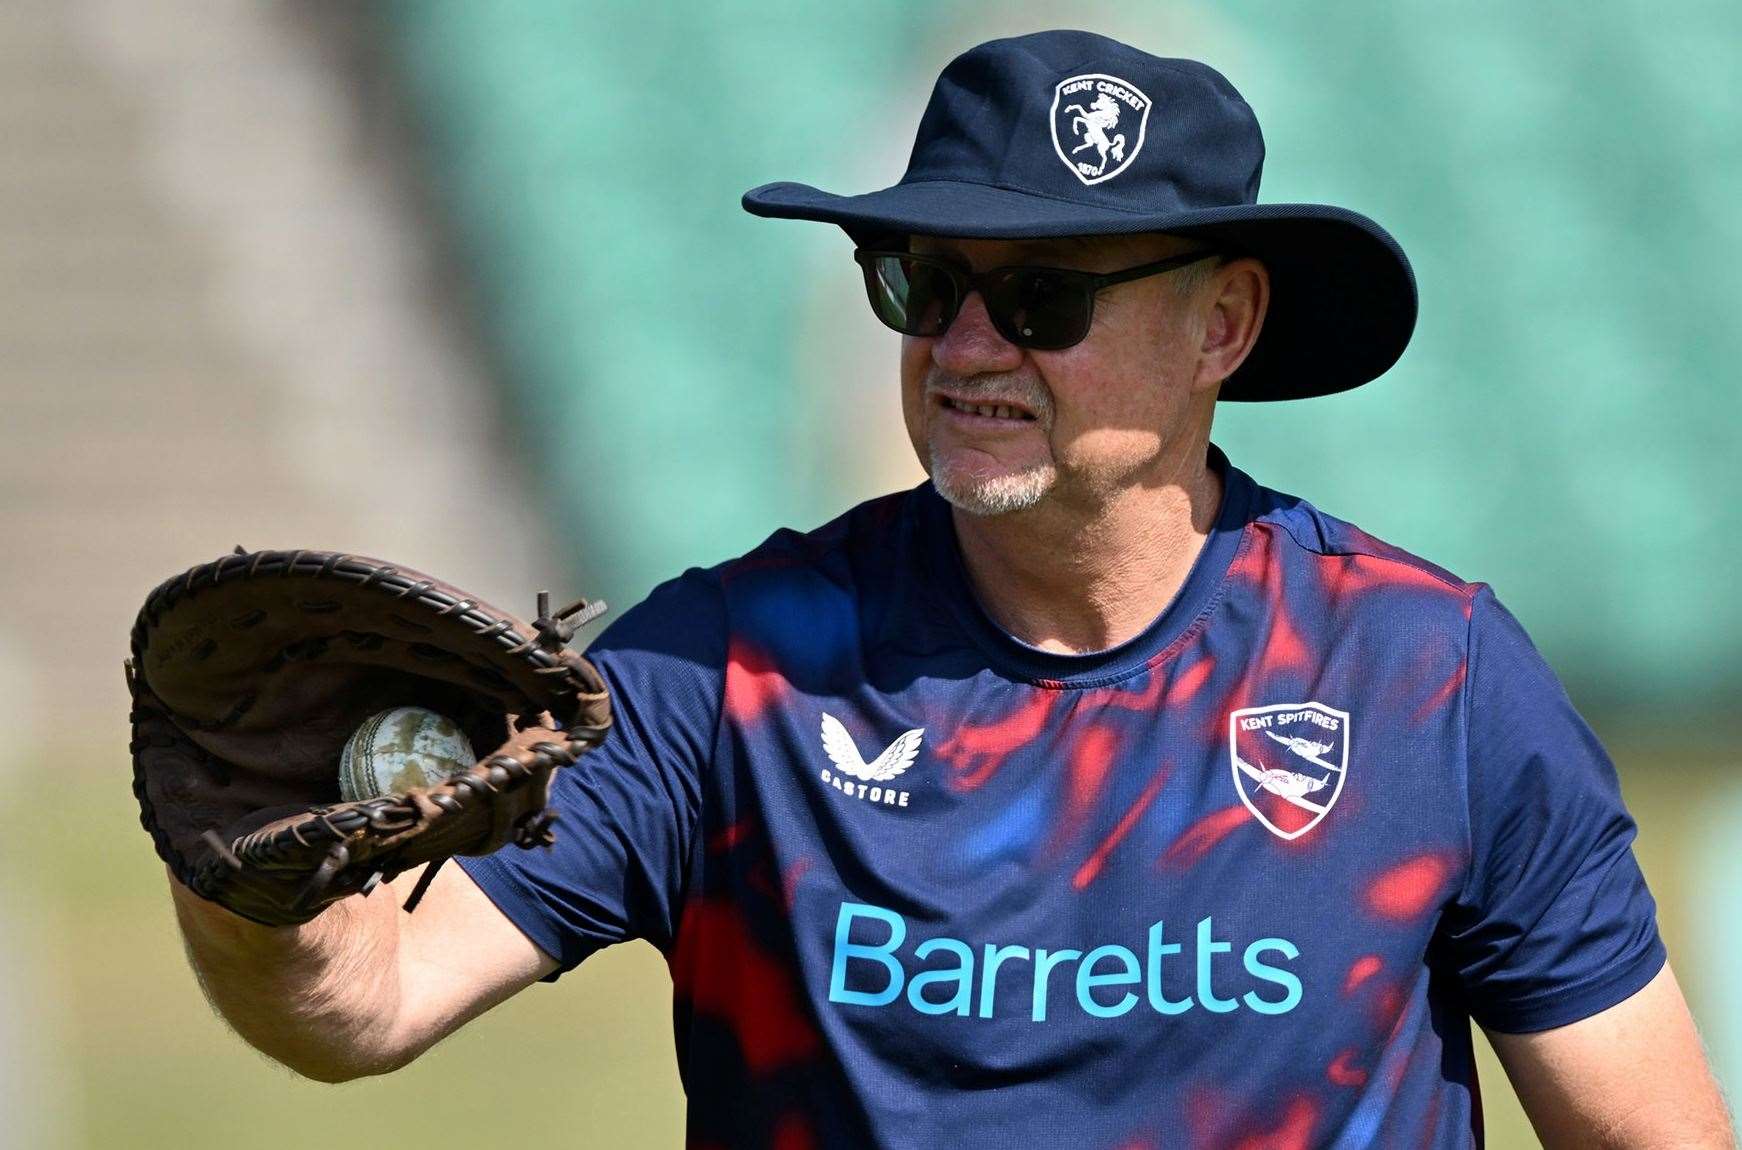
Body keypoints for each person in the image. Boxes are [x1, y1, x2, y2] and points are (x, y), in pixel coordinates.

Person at [167, 29, 1735, 1148]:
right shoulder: (725, 671)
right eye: (921, 280)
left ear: (1224, 325)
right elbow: (358, 1009)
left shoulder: (1427, 673)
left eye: (1041, 296)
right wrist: (247, 889)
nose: (967, 345)